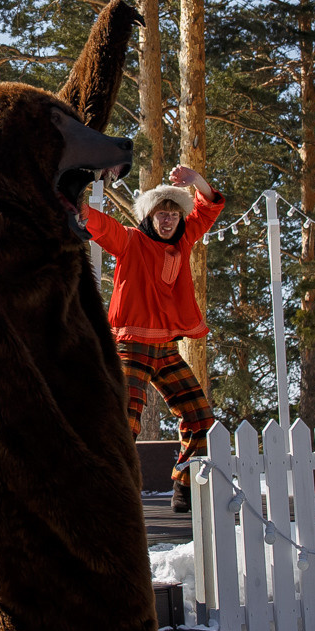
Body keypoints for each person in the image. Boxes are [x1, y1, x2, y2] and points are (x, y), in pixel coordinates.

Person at [82, 164, 225, 512]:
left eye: (173, 215)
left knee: (202, 420)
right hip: (132, 345)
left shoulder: (185, 239)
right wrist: (83, 187)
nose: (167, 221)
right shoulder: (131, 240)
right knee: (125, 421)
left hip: (167, 348)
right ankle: (108, 493)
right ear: (149, 216)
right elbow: (96, 223)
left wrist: (196, 182)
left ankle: (185, 488)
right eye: (161, 215)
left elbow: (209, 208)